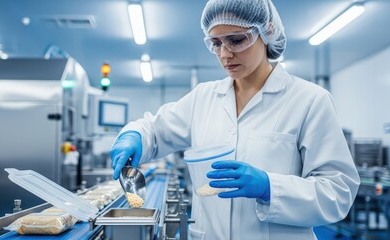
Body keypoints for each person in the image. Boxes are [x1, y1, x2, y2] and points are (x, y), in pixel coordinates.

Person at [110, 0, 360, 239]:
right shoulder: (203, 98)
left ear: (268, 30)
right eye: (216, 43)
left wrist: (270, 187)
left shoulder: (309, 100)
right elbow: (154, 130)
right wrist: (134, 136)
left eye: (237, 40)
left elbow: (338, 192)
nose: (225, 54)